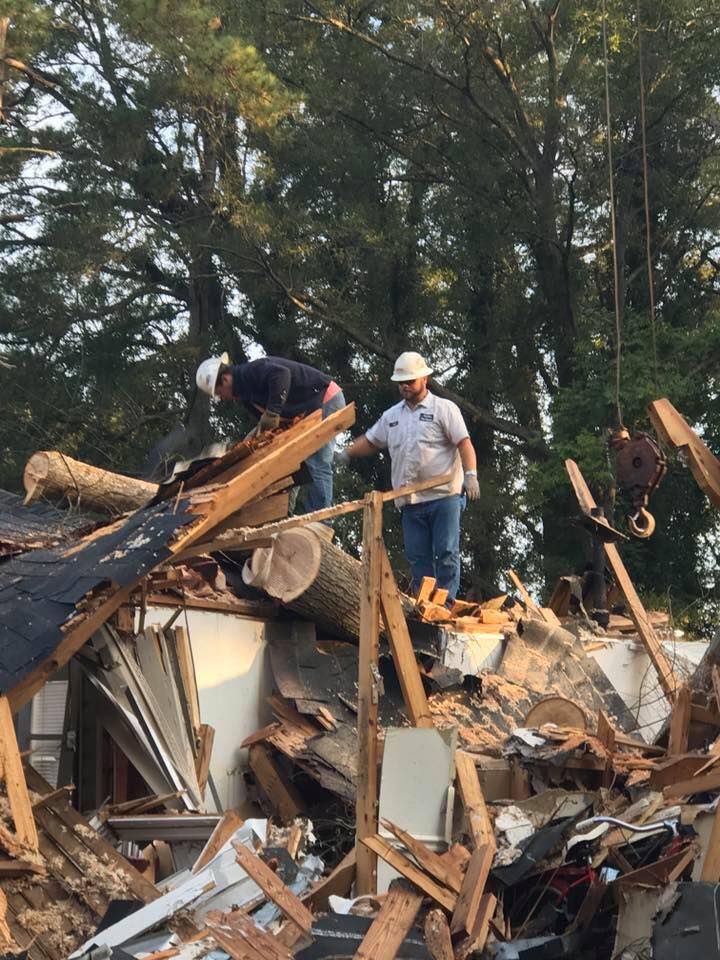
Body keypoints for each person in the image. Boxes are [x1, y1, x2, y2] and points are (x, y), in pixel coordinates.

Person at [336, 351, 479, 603]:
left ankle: (444, 605)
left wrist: (471, 475)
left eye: (410, 381)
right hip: (410, 500)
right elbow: (371, 441)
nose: (404, 386)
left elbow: (464, 444)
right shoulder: (392, 417)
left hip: (444, 496)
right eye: (401, 382)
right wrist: (347, 453)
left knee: (446, 553)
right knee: (417, 557)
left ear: (425, 379)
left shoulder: (444, 409)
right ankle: (424, 605)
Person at [196, 353, 345, 514]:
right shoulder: (246, 397)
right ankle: (285, 514)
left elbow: (282, 375)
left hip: (325, 399)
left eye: (219, 393)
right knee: (291, 462)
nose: (222, 398)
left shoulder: (251, 371)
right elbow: (266, 425)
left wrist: (273, 411)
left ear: (225, 379)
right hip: (307, 412)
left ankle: (322, 518)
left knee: (316, 461)